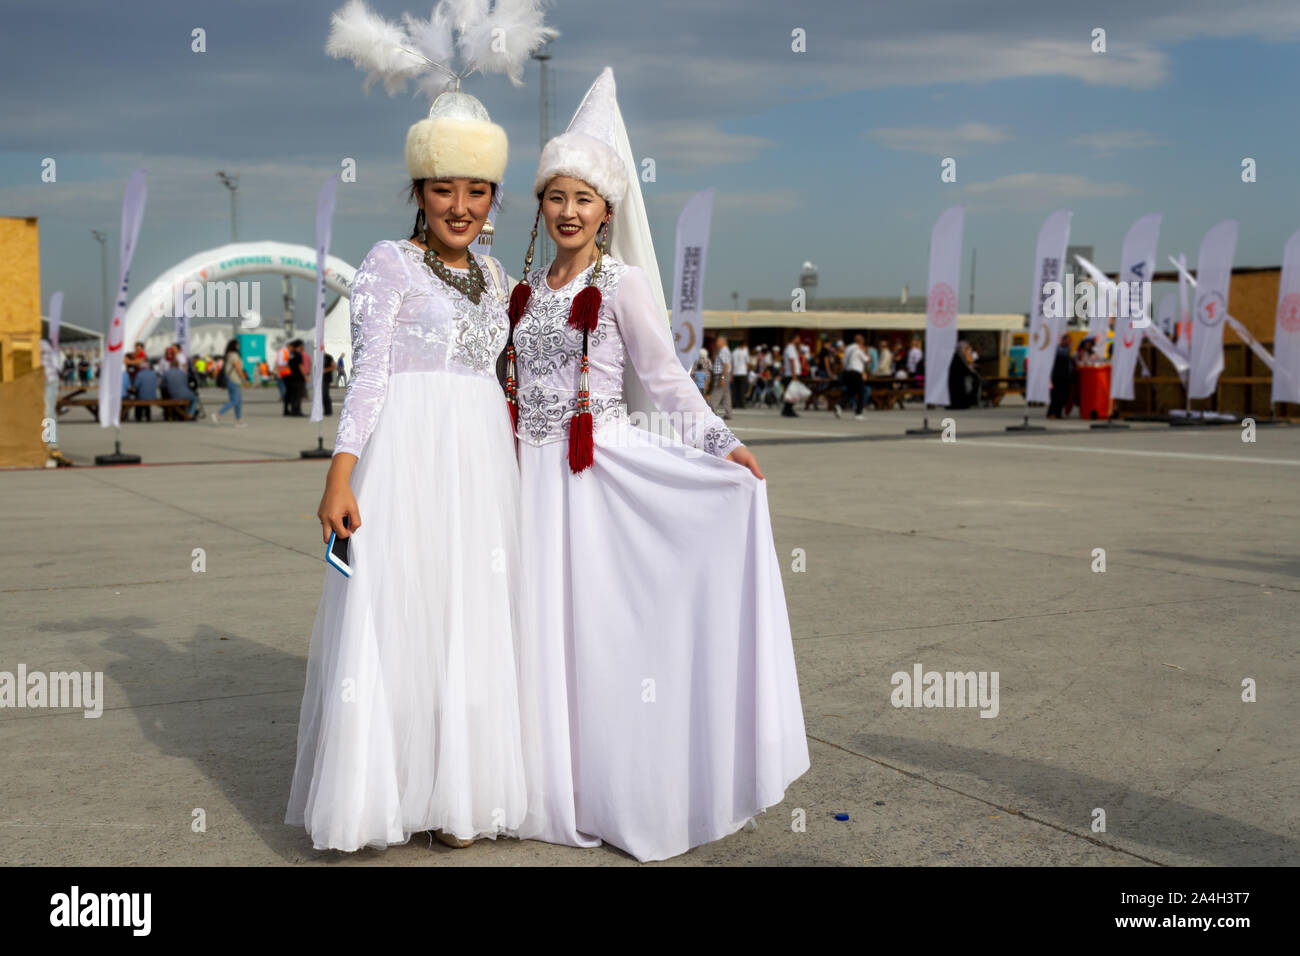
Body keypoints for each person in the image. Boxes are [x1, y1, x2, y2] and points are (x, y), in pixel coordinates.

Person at [504, 67, 809, 863]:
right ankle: (539, 783)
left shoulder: (624, 283)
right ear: (540, 203)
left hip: (591, 475)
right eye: (556, 196)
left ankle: (615, 786)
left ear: (608, 211)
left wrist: (721, 446)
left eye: (584, 200)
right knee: (534, 631)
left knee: (600, 634)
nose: (569, 212)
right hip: (523, 479)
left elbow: (667, 379)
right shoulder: (527, 290)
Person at [286, 3, 554, 854]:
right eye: (446, 189)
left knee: (472, 619)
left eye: (478, 191)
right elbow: (368, 377)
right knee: (401, 620)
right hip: (405, 461)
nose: (462, 205)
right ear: (418, 190)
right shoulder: (386, 265)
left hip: (481, 464)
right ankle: (385, 796)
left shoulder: (495, 272)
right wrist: (340, 473)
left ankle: (461, 796)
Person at [213, 338, 249, 426]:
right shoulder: (234, 355)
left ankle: (238, 421)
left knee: (238, 401)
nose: (239, 346)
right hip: (234, 380)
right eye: (238, 345)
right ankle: (218, 414)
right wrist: (244, 380)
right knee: (235, 400)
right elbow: (238, 368)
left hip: (229, 379)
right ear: (235, 345)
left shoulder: (228, 354)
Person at [835, 333, 868, 418]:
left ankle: (840, 405)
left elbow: (843, 361)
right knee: (861, 392)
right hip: (856, 372)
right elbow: (867, 360)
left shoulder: (847, 348)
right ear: (860, 342)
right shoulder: (858, 349)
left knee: (851, 391)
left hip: (847, 372)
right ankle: (859, 413)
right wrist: (865, 351)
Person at [1047, 332, 1075, 419]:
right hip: (1058, 376)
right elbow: (1064, 353)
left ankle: (1058, 413)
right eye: (1068, 341)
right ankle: (1052, 413)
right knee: (1056, 395)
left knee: (1064, 396)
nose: (1069, 343)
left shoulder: (1067, 350)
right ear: (1063, 340)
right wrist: (1070, 347)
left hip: (1066, 377)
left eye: (1070, 341)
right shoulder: (1059, 349)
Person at [708, 333, 732, 419]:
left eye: (718, 341)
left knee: (716, 393)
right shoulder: (724, 350)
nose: (716, 343)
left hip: (722, 374)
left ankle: (712, 412)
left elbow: (725, 365)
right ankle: (728, 413)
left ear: (723, 341)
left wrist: (722, 377)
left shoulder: (723, 351)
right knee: (726, 395)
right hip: (725, 374)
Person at [781, 337, 800, 416]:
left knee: (791, 393)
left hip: (791, 373)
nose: (799, 340)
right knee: (792, 393)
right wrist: (794, 374)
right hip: (791, 374)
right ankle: (788, 410)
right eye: (798, 338)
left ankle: (787, 409)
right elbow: (792, 361)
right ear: (794, 339)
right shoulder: (790, 348)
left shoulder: (792, 348)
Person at [730, 338, 748, 409]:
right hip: (743, 372)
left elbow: (732, 363)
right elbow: (747, 362)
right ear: (743, 345)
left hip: (735, 372)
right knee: (742, 389)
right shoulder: (745, 351)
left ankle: (734, 403)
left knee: (735, 389)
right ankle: (742, 404)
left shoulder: (734, 352)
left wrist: (732, 374)